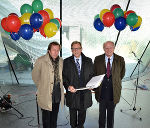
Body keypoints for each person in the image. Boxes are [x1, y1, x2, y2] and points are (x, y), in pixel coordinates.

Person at [32, 42, 64, 128]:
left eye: (57, 50)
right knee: (46, 120)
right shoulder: (41, 60)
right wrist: (42, 87)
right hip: (45, 95)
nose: (56, 52)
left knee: (54, 119)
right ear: (49, 50)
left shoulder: (61, 61)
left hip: (57, 94)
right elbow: (35, 76)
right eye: (53, 50)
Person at [94, 41, 125, 128]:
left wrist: (114, 81)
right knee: (101, 115)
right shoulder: (97, 59)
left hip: (113, 92)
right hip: (101, 92)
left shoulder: (120, 59)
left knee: (111, 116)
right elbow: (95, 73)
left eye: (110, 47)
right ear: (103, 49)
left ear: (114, 48)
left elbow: (121, 74)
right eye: (106, 48)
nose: (108, 50)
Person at [63, 41, 94, 128]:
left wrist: (92, 85)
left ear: (81, 49)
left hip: (85, 93)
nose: (76, 50)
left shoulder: (88, 61)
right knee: (72, 116)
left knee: (82, 115)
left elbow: (92, 75)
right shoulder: (66, 62)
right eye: (74, 48)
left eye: (78, 48)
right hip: (72, 94)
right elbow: (63, 77)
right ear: (71, 50)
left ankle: (81, 126)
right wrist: (68, 86)